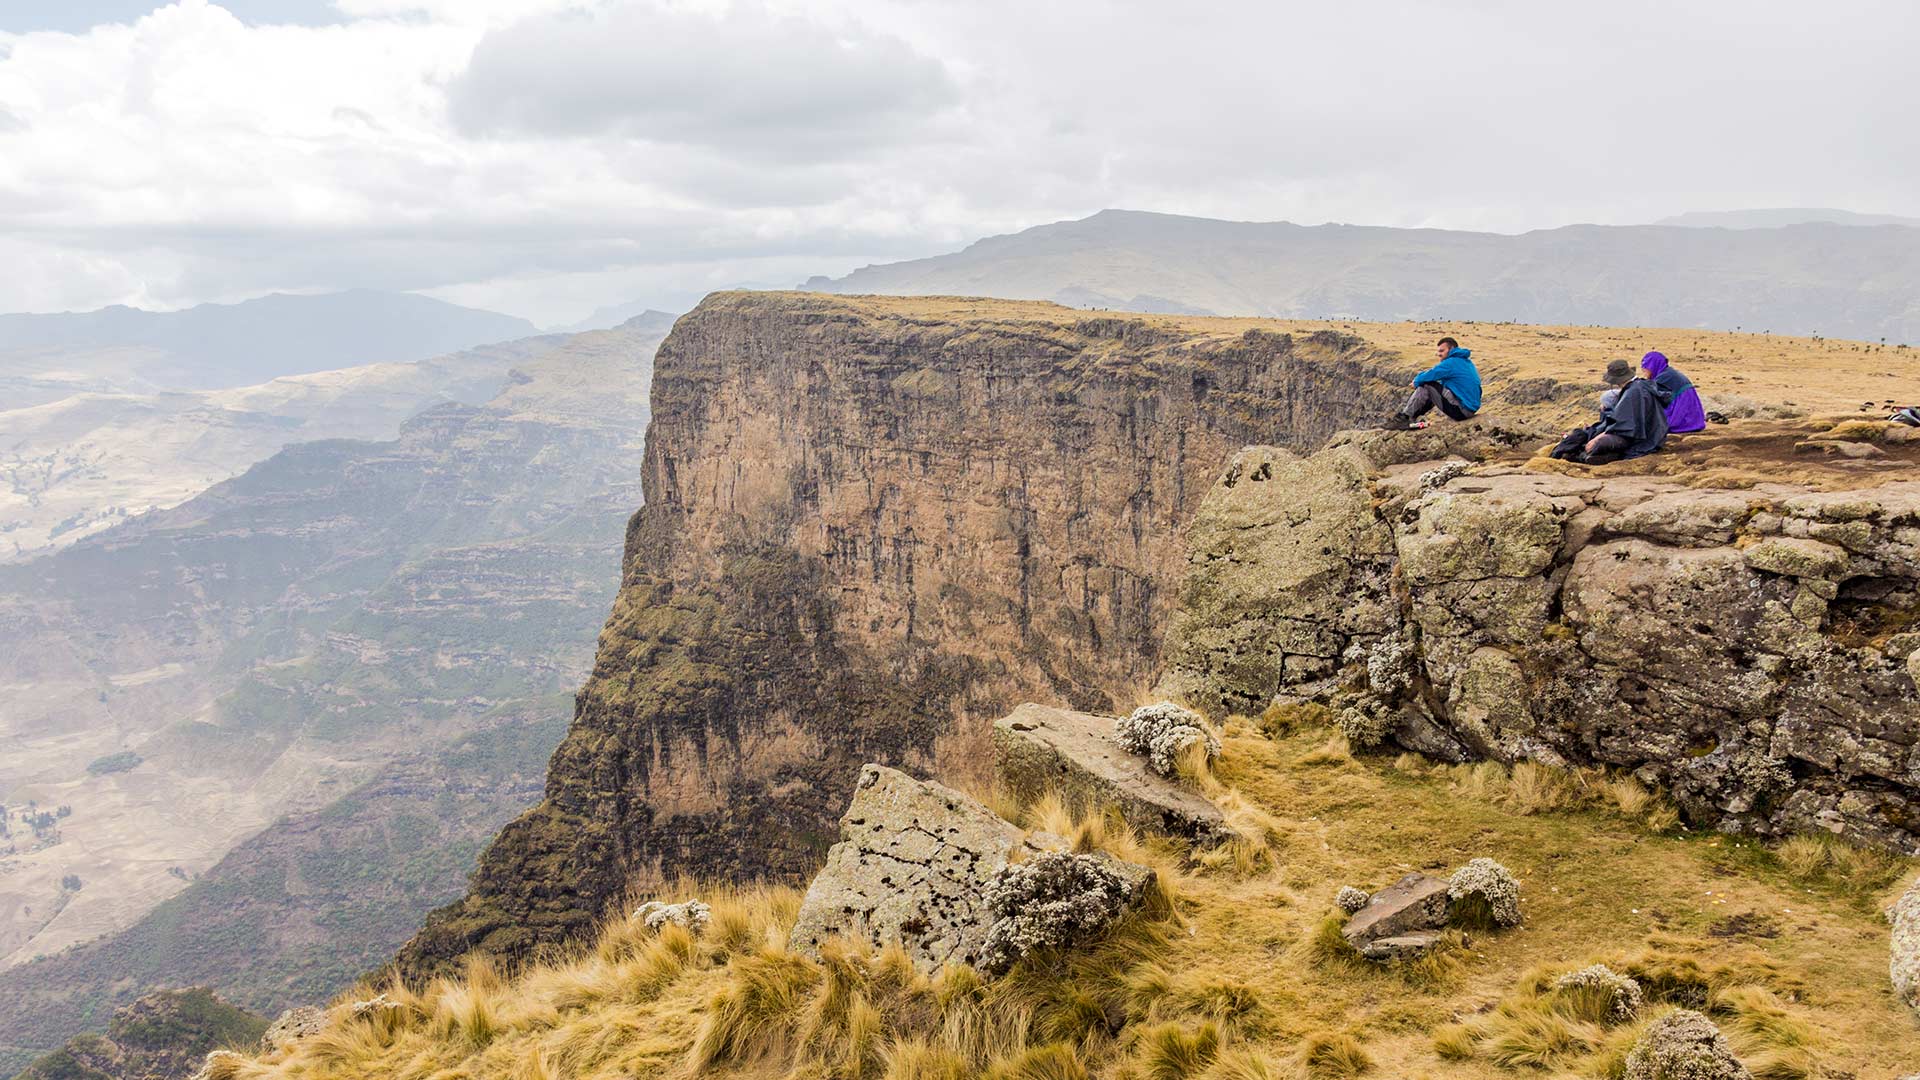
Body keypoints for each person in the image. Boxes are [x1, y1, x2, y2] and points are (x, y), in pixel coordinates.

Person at [1550, 357, 1667, 464]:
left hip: (1638, 439)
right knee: (1586, 435)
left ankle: (1572, 456)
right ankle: (1588, 455)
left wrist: (1598, 437)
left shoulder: (1632, 392)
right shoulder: (1640, 386)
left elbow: (1622, 425)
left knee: (1592, 441)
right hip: (1649, 436)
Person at [1384, 337, 1481, 429]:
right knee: (1434, 389)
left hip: (1461, 411)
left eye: (1442, 351)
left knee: (1427, 385)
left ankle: (1405, 417)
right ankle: (1411, 417)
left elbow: (1431, 374)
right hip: (1468, 409)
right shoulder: (1466, 362)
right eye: (1438, 351)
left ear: (1451, 349)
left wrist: (1416, 381)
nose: (1439, 354)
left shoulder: (1451, 363)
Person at [1639, 351, 1707, 433]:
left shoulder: (1665, 377)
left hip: (1682, 412)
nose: (1644, 373)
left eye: (1645, 369)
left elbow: (1653, 394)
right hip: (1692, 415)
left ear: (1653, 367)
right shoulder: (1668, 372)